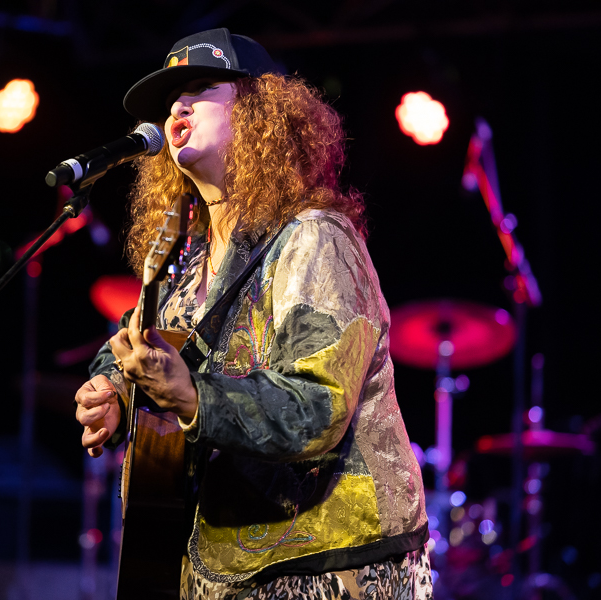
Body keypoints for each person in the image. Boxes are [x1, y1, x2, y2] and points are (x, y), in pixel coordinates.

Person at [74, 28, 432, 600]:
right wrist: (113, 392)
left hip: (326, 564)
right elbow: (129, 347)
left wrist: (191, 395)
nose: (178, 106)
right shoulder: (183, 265)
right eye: (171, 98)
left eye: (200, 87)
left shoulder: (314, 238)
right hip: (216, 573)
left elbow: (318, 407)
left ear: (260, 111)